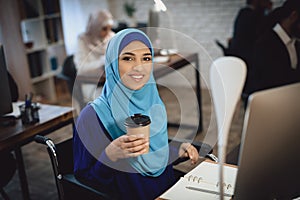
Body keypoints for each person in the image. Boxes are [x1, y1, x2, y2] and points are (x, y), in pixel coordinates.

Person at [73, 28, 199, 200]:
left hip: (168, 192)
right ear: (112, 64)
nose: (139, 67)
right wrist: (109, 156)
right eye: (128, 58)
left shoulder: (153, 104)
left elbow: (151, 155)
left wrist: (177, 151)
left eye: (146, 58)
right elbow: (84, 181)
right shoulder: (92, 116)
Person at [247, 0, 300, 95]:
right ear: (294, 16)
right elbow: (275, 81)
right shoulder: (265, 44)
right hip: (271, 103)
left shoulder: (296, 43)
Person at [228, 0, 273, 103]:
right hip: (250, 60)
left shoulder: (243, 13)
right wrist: (270, 11)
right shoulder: (254, 15)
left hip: (242, 57)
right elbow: (265, 31)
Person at [74, 10, 115, 75]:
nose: (108, 32)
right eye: (104, 29)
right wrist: (103, 61)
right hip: (92, 81)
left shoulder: (111, 36)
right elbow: (81, 68)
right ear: (96, 27)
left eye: (110, 28)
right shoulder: (83, 40)